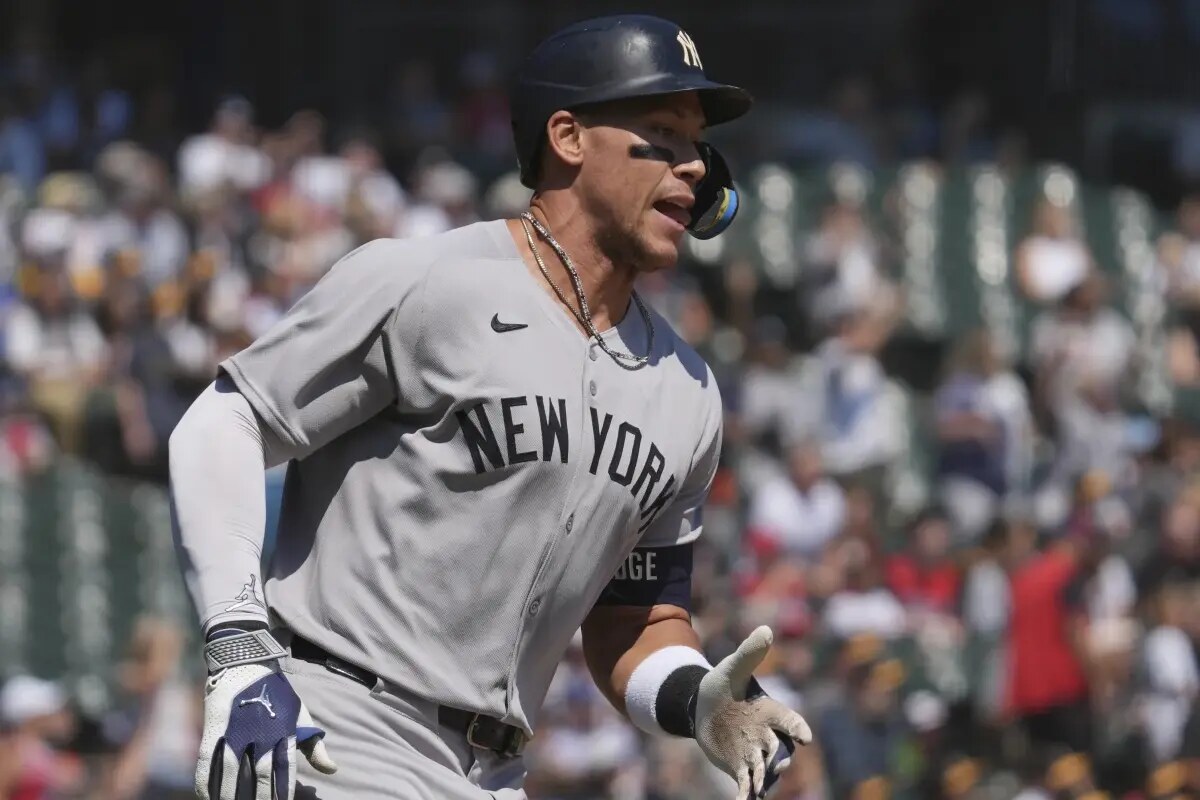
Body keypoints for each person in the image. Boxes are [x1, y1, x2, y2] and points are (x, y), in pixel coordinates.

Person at [169, 15, 812, 800]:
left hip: (494, 774)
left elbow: (636, 621)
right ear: (569, 137)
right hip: (334, 738)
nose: (693, 169)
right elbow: (223, 421)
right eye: (662, 134)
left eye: (698, 146)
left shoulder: (689, 394)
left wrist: (698, 701)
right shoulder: (429, 281)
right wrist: (239, 651)